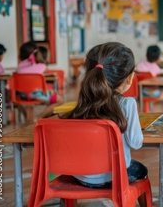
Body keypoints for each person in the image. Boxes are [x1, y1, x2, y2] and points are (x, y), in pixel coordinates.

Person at [62, 42, 148, 188]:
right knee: (141, 170)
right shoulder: (127, 104)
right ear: (129, 78)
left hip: (79, 176)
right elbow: (136, 143)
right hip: (114, 177)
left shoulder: (84, 102)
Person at [15, 42, 63, 119]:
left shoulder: (19, 66)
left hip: (21, 95)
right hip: (37, 94)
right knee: (59, 100)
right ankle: (40, 117)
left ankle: (27, 118)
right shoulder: (42, 66)